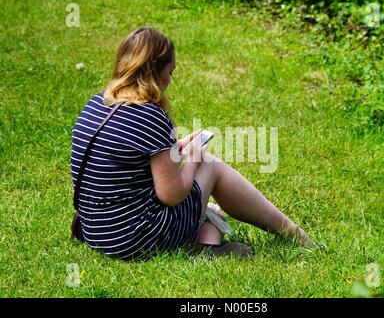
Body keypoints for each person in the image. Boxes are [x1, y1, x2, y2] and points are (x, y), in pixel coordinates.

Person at [70, 27, 316, 261]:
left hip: (96, 232)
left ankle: (207, 246)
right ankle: (294, 234)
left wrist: (175, 147)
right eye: (171, 71)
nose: (170, 79)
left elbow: (127, 157)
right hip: (134, 240)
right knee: (211, 166)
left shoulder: (98, 103)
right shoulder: (149, 115)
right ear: (156, 70)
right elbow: (171, 194)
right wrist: (195, 156)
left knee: (209, 208)